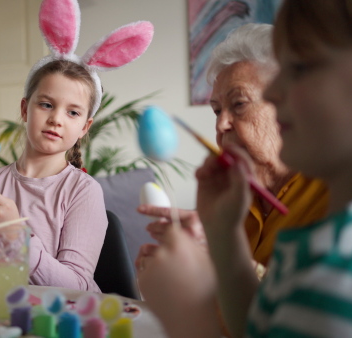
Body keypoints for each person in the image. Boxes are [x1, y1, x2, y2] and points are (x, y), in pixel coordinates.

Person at [138, 0, 352, 336]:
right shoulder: (320, 241)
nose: (277, 91)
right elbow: (260, 326)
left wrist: (188, 314)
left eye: (301, 68)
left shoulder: (350, 267)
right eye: (216, 110)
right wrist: (222, 237)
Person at [0, 0, 153, 292]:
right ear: (25, 110)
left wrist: (17, 237)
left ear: (84, 127)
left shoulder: (82, 192)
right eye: (46, 104)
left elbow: (75, 288)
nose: (56, 119)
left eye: (72, 112)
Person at [139, 23, 329, 268]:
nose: (221, 124)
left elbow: (308, 301)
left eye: (239, 104)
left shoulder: (337, 190)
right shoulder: (227, 193)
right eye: (217, 110)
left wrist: (220, 253)